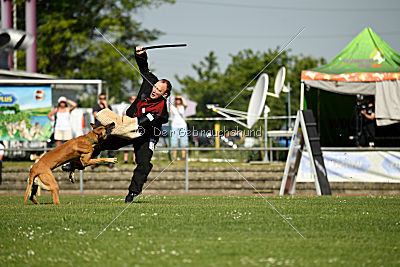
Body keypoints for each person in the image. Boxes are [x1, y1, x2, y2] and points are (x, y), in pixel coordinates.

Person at [63, 46, 171, 203]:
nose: (154, 90)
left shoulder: (161, 110)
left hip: (145, 135)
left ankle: (133, 193)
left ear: (165, 94)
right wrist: (140, 55)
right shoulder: (150, 83)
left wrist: (137, 122)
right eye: (155, 87)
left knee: (144, 163)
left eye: (159, 90)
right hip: (126, 126)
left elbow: (152, 120)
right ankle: (75, 164)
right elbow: (144, 69)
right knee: (99, 144)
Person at [92, 93, 115, 168]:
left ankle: (111, 161)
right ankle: (94, 162)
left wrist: (106, 106)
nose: (102, 100)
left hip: (107, 129)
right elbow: (96, 116)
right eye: (101, 98)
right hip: (99, 129)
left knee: (110, 145)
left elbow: (110, 115)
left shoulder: (108, 107)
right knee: (97, 145)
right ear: (99, 99)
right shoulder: (96, 106)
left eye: (104, 98)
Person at [170, 95, 188, 160]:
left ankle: (183, 157)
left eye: (179, 99)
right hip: (174, 125)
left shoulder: (183, 107)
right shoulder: (172, 107)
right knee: (174, 141)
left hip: (182, 125)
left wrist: (182, 97)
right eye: (177, 99)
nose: (178, 100)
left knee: (184, 141)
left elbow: (186, 104)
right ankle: (174, 157)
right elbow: (168, 112)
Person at [123, 94, 137, 164]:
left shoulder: (138, 108)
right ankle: (125, 160)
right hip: (127, 127)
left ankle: (134, 160)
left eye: (134, 99)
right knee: (126, 144)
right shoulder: (127, 108)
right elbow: (123, 116)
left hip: (135, 127)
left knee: (135, 144)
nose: (133, 100)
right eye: (132, 99)